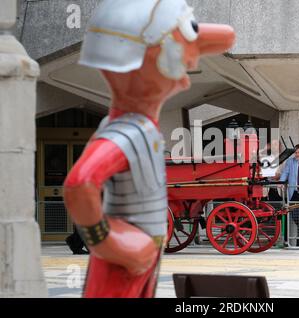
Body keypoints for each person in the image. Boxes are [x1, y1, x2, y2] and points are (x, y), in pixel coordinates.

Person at [63, 0, 235, 298]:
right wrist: (111, 243)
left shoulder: (136, 128)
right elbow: (80, 184)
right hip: (127, 261)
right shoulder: (128, 133)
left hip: (140, 257)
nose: (189, 64)